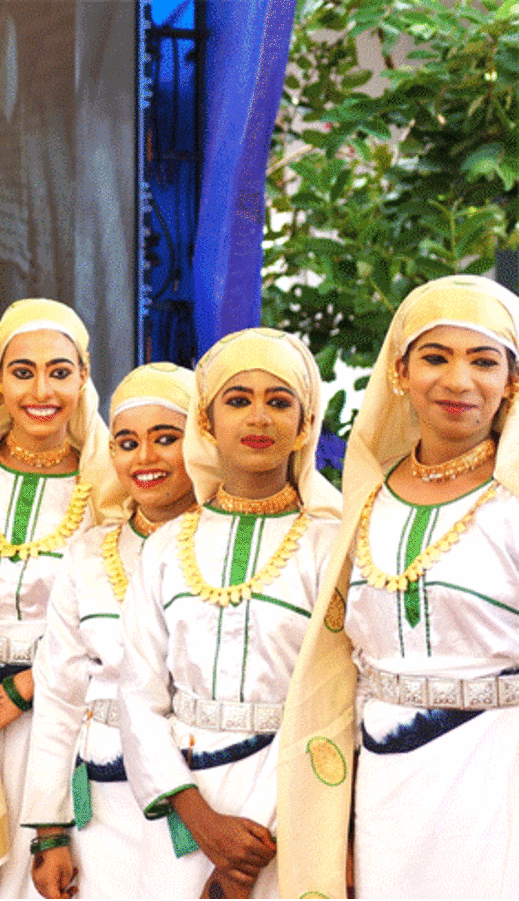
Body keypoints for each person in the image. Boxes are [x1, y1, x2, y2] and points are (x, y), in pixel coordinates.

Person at [279, 275, 519, 898]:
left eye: (484, 361)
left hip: (497, 782)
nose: (459, 381)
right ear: (400, 373)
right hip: (381, 787)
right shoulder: (364, 500)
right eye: (435, 358)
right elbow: (340, 673)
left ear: (511, 382)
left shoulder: (513, 505)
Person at [118, 328, 340, 899]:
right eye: (238, 400)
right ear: (208, 422)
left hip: (294, 803)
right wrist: (203, 823)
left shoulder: (330, 546)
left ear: (305, 423)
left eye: (279, 401)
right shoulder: (167, 547)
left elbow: (336, 698)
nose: (259, 418)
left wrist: (249, 844)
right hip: (184, 804)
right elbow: (139, 693)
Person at [0, 297, 111, 897]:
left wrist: (26, 686)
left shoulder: (110, 485)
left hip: (61, 714)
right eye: (23, 371)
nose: (42, 389)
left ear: (83, 377)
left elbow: (121, 616)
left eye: (60, 372)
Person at [23, 362, 197, 898]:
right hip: (99, 798)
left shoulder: (220, 546)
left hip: (197, 792)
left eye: (166, 439)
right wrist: (48, 830)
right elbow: (58, 693)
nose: (144, 458)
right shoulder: (88, 552)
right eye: (126, 442)